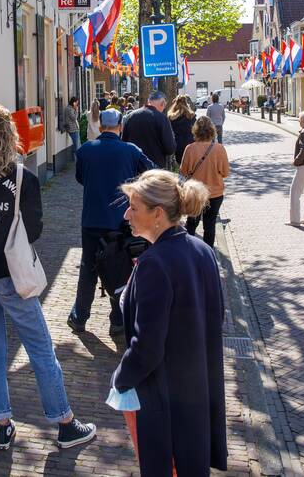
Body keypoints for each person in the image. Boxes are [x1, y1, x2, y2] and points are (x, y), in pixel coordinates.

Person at [0, 103, 97, 451]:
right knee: (40, 348)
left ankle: (2, 424)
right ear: (9, 134)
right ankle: (64, 422)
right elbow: (34, 229)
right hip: (11, 275)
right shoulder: (21, 178)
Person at [113, 170, 227, 476]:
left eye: (134, 208)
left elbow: (147, 346)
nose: (126, 215)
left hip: (165, 401)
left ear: (158, 214)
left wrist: (121, 379)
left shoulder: (155, 262)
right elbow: (217, 317)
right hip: (196, 394)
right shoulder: (202, 250)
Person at [71, 108, 154, 335]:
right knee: (120, 269)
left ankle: (79, 316)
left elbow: (80, 177)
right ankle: (117, 320)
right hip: (120, 221)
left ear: (100, 126)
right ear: (120, 126)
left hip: (92, 219)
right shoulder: (130, 150)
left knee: (88, 267)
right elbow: (152, 171)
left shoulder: (85, 150)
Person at [180, 116, 230, 247]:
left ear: (195, 131)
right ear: (212, 130)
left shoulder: (190, 148)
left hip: (194, 193)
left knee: (191, 223)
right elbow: (225, 173)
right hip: (215, 193)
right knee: (210, 224)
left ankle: (189, 251)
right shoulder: (219, 149)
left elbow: (184, 171)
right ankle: (208, 254)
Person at [121, 91, 175, 169]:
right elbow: (170, 148)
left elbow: (124, 142)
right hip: (155, 168)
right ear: (162, 103)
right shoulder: (162, 118)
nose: (163, 109)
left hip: (134, 166)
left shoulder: (130, 116)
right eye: (164, 106)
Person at [167, 95, 196, 166]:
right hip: (190, 143)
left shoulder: (171, 117)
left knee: (180, 165)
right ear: (186, 103)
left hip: (178, 143)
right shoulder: (192, 115)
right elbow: (196, 130)